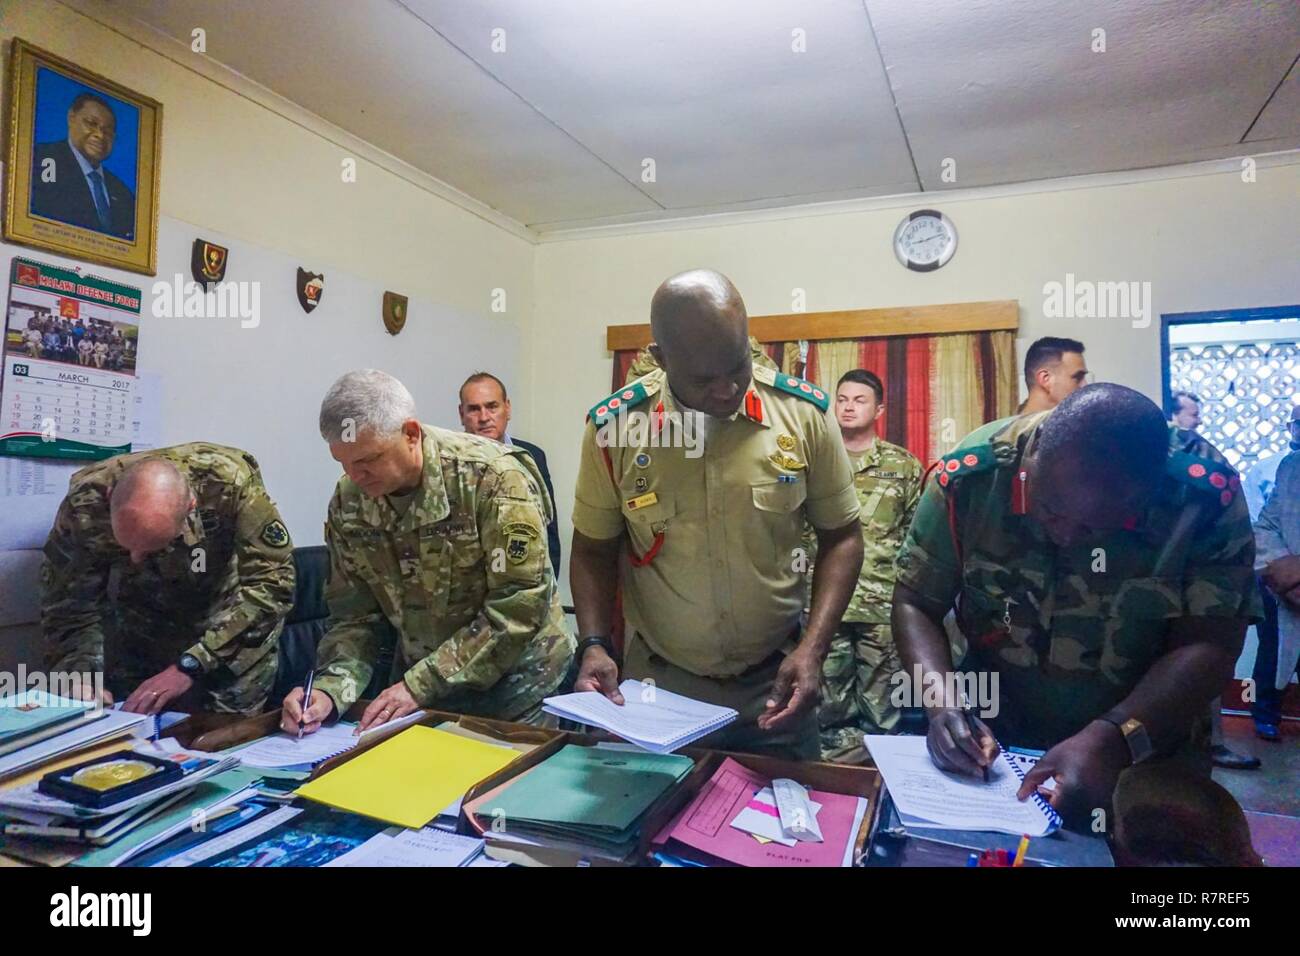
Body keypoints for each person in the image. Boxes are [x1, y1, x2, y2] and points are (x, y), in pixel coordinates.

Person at [892, 384, 1261, 843]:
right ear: (1035, 463)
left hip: (1147, 748)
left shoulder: (1203, 495)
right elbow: (915, 602)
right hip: (999, 748)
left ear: (1146, 494)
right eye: (1049, 509)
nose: (1067, 535)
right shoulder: (973, 477)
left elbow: (1211, 642)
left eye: (1095, 527)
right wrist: (942, 705)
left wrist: (1115, 736)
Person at [570, 269, 864, 760]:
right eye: (705, 379)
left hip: (777, 687)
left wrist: (813, 649)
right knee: (656, 828)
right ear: (662, 360)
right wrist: (594, 643)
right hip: (659, 691)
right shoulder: (616, 430)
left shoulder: (803, 415)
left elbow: (844, 537)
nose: (728, 390)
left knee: (787, 829)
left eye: (738, 365)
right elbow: (593, 547)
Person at [282, 370, 574, 736]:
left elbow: (516, 607)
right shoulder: (350, 501)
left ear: (410, 434)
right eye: (344, 462)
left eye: (368, 460)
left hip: (515, 688)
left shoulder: (492, 477)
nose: (355, 476)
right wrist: (330, 689)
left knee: (500, 791)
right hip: (423, 691)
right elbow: (355, 617)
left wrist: (420, 684)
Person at [41, 444, 295, 715]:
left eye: (153, 547)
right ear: (110, 496)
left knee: (222, 738)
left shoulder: (228, 482)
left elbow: (273, 586)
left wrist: (193, 663)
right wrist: (80, 674)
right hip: (144, 632)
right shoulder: (84, 504)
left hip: (230, 629)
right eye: (125, 546)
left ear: (191, 507)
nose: (135, 559)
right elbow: (70, 606)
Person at [809, 369, 922, 763]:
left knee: (883, 711)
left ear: (879, 409)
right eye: (842, 399)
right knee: (828, 708)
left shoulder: (904, 465)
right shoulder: (816, 459)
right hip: (825, 602)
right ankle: (835, 785)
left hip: (881, 605)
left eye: (859, 400)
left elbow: (913, 537)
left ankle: (881, 782)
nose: (848, 407)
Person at [1167, 392, 1259, 768]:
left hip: (1195, 600)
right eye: (1193, 413)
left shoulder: (1201, 466)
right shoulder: (1175, 461)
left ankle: (1208, 745)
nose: (1198, 421)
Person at [457, 371, 561, 577]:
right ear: (461, 414)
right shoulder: (450, 461)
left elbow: (548, 527)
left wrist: (550, 585)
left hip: (524, 575)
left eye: (492, 406)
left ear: (507, 407)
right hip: (472, 583)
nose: (484, 417)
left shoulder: (532, 456)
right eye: (474, 409)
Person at [30, 92, 136, 239]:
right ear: (71, 119)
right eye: (91, 123)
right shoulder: (42, 160)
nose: (100, 135)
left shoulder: (123, 193)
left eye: (108, 130)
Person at [1253, 444, 1300, 745]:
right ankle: (1265, 716)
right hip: (1282, 587)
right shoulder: (1291, 466)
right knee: (1272, 652)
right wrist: (1289, 575)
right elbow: (1266, 525)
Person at [1018, 336, 1088, 415]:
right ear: (1045, 379)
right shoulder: (1006, 427)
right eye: (1077, 377)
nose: (1085, 385)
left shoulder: (1081, 424)